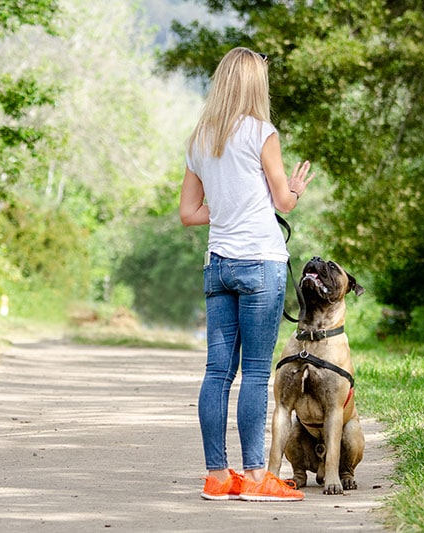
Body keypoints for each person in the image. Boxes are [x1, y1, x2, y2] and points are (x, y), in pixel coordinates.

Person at [179, 47, 314, 502]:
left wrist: (228, 204)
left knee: (217, 372)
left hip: (218, 265)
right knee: (256, 373)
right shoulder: (262, 132)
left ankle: (217, 477)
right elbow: (283, 202)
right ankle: (256, 478)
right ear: (256, 84)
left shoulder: (200, 137)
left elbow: (189, 213)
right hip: (260, 262)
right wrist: (293, 189)